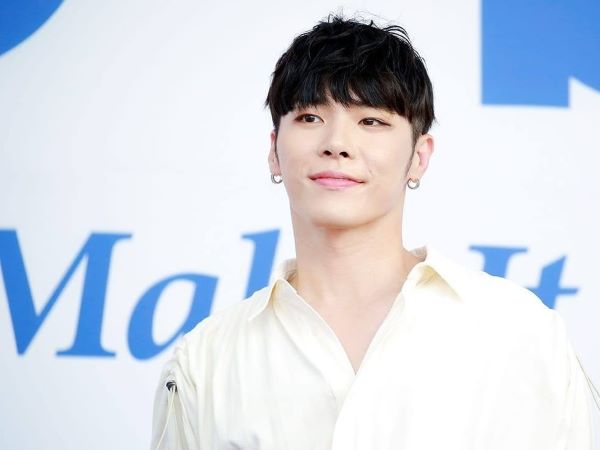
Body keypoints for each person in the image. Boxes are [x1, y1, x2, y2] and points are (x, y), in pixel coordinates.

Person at [150, 13, 597, 449]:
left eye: (371, 121)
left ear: (419, 156)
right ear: (274, 150)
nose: (337, 144)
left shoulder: (519, 332)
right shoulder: (206, 361)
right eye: (309, 117)